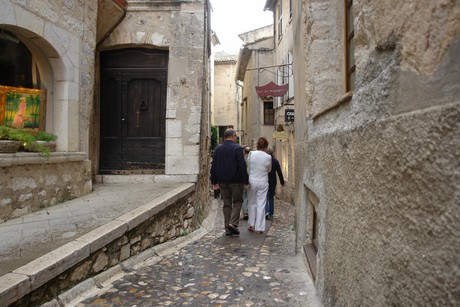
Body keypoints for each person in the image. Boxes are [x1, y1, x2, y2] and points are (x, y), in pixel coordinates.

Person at [210, 129, 249, 236]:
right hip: (236, 181)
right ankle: (232, 223)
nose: (236, 138)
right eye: (236, 136)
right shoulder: (237, 148)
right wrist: (246, 181)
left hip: (223, 181)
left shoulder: (218, 149)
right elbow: (242, 166)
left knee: (226, 204)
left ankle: (228, 229)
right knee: (238, 201)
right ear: (232, 136)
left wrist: (214, 181)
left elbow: (214, 166)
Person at [247, 137, 271, 234]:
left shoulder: (251, 154)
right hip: (263, 181)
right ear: (266, 146)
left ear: (257, 145)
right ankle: (259, 227)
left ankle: (251, 224)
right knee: (261, 204)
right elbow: (269, 170)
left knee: (252, 203)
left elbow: (248, 167)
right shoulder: (268, 157)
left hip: (252, 180)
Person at [265, 147, 284, 220]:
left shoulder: (265, 160)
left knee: (265, 197)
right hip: (272, 181)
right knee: (271, 197)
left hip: (265, 180)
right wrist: (282, 181)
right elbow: (279, 172)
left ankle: (266, 211)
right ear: (273, 153)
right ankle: (270, 213)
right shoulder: (275, 161)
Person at [241, 146, 251, 220]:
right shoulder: (252, 159)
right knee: (249, 196)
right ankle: (249, 211)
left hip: (244, 180)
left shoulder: (242, 160)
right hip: (251, 179)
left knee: (244, 196)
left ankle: (245, 211)